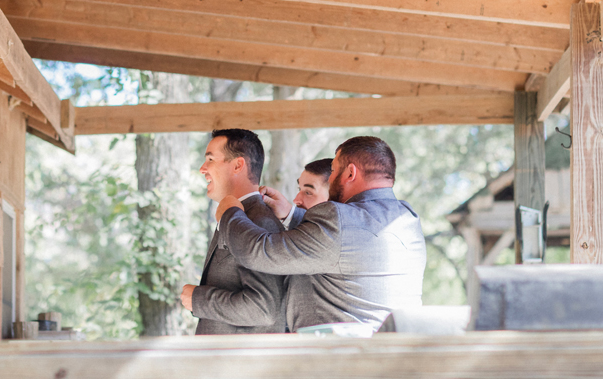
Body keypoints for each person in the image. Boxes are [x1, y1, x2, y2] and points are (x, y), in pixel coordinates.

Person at [216, 136, 426, 332]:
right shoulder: (407, 218)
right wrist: (291, 214)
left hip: (341, 362)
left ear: (350, 173)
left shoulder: (336, 217)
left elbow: (259, 252)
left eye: (333, 171)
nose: (331, 177)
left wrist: (230, 212)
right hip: (395, 355)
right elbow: (349, 245)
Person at [179, 129, 286, 334]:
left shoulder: (260, 222)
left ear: (238, 165)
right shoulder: (237, 215)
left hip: (239, 363)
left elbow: (263, 309)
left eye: (210, 159)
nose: (203, 169)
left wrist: (198, 300)